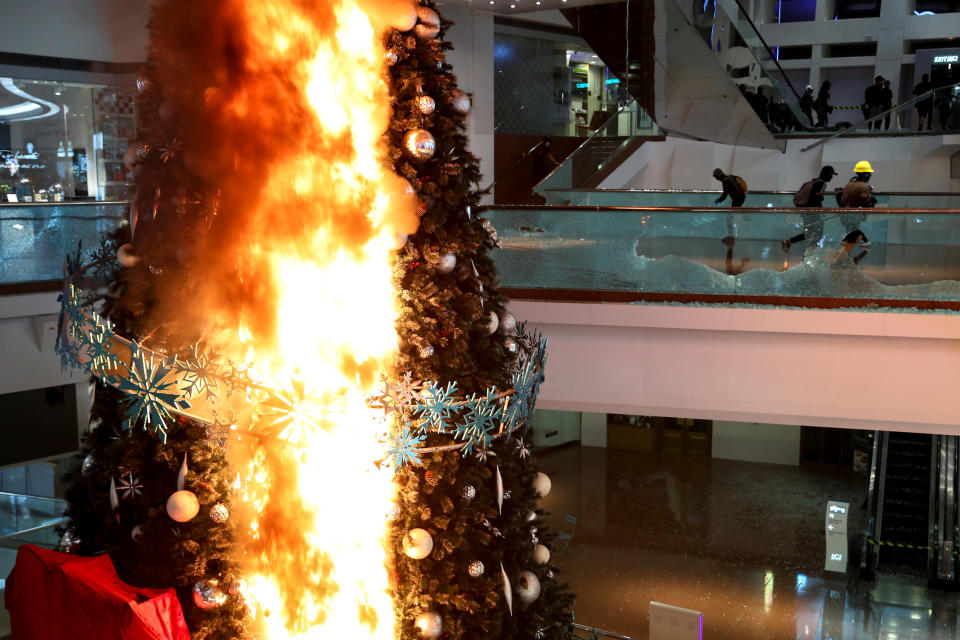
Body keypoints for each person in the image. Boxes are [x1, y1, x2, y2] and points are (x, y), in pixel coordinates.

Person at [782, 165, 837, 252]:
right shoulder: (822, 183)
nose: (832, 177)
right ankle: (808, 256)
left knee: (810, 233)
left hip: (805, 210)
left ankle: (790, 242)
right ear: (827, 174)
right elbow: (816, 198)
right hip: (812, 212)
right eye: (831, 175)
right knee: (817, 233)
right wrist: (821, 209)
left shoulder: (811, 182)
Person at [836, 160, 876, 249]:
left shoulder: (849, 184)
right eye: (869, 173)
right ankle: (862, 243)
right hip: (854, 214)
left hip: (844, 214)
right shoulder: (864, 186)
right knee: (853, 231)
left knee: (852, 230)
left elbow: (838, 195)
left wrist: (841, 207)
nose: (870, 175)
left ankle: (848, 244)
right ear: (865, 174)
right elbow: (865, 201)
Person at [714, 168, 747, 243]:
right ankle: (731, 236)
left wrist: (718, 200)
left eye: (716, 178)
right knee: (732, 216)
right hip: (740, 198)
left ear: (718, 177)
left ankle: (731, 237)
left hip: (737, 201)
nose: (716, 179)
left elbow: (724, 195)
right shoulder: (731, 177)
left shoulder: (726, 182)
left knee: (729, 218)